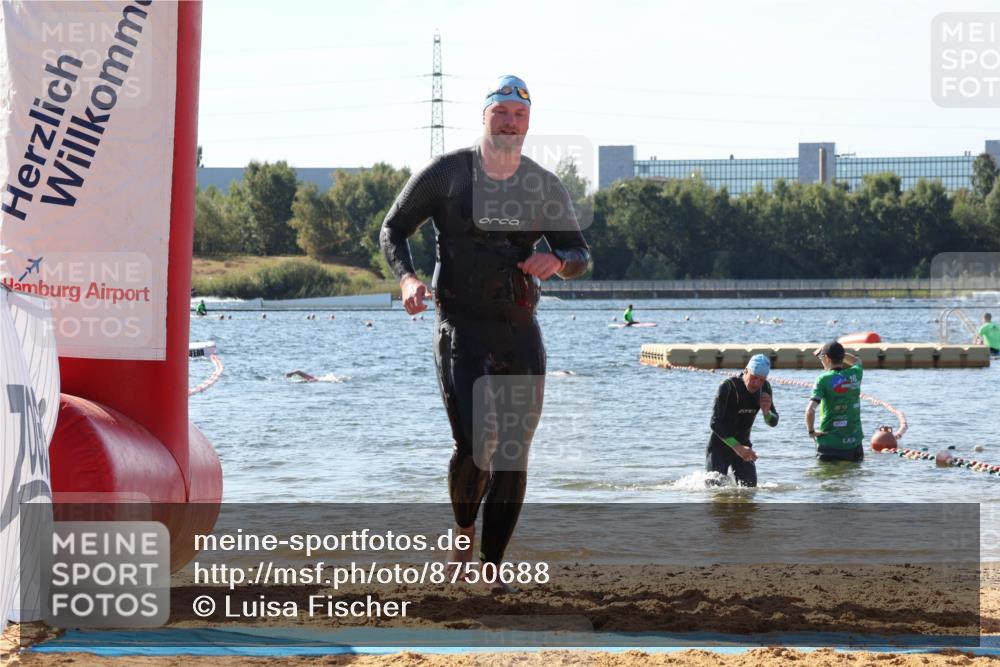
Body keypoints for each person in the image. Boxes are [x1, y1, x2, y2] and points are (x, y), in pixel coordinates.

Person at [379, 74, 590, 587]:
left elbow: (581, 254)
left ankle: (492, 571)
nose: (510, 124)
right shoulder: (448, 174)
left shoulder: (542, 184)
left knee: (513, 455)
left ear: (528, 124)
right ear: (485, 116)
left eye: (519, 117)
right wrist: (407, 278)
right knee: (475, 444)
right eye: (501, 114)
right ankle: (462, 530)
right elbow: (393, 227)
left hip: (519, 330)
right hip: (460, 328)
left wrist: (556, 260)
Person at [706, 354, 779, 487]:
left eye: (761, 380)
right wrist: (737, 447)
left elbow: (773, 422)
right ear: (745, 371)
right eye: (754, 377)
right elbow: (715, 423)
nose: (757, 383)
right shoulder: (727, 387)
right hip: (720, 447)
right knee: (715, 492)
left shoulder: (765, 388)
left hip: (744, 446)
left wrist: (766, 412)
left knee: (750, 490)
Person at [806, 341, 864, 462]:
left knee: (828, 479)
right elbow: (857, 360)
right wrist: (840, 353)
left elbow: (810, 411)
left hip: (830, 445)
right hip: (855, 444)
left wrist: (811, 431)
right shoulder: (856, 373)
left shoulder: (823, 379)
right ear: (842, 357)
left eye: (822, 358)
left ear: (826, 358)